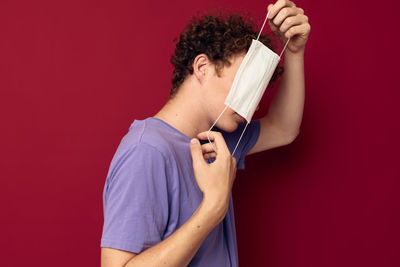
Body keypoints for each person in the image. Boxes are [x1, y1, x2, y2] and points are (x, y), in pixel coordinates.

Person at [100, 1, 310, 266]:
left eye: (257, 91)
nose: (254, 104)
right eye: (247, 83)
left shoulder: (217, 141)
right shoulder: (147, 150)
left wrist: (294, 51)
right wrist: (214, 205)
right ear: (202, 67)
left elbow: (283, 128)